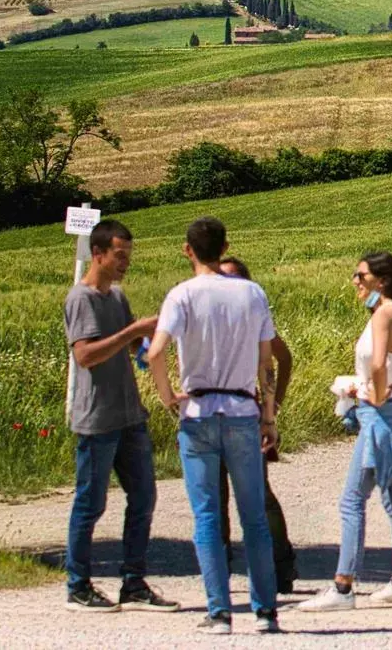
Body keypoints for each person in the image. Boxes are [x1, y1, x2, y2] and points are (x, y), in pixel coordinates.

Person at [146, 217, 282, 635]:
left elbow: (155, 353)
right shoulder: (251, 293)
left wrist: (168, 395)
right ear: (225, 248)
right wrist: (269, 415)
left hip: (198, 411)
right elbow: (266, 363)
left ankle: (219, 611)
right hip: (242, 410)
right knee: (254, 516)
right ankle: (265, 612)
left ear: (188, 250)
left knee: (206, 515)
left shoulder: (181, 295)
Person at [297, 251, 392, 613]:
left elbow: (378, 362)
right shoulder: (388, 310)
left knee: (352, 500)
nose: (355, 281)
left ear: (380, 280)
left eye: (361, 275)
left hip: (381, 415)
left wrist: (370, 392)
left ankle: (343, 587)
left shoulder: (385, 313)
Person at [62, 219, 178, 614]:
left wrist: (152, 346)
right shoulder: (82, 299)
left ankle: (134, 583)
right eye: (120, 255)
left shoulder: (117, 297)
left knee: (144, 496)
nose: (126, 262)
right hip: (98, 419)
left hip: (130, 414)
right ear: (98, 254)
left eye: (129, 255)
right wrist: (132, 332)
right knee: (90, 504)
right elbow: (86, 356)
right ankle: (77, 585)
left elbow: (132, 350)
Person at [214, 254, 298, 594]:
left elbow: (282, 357)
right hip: (210, 412)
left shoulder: (253, 316)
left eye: (233, 278)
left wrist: (273, 404)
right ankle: (219, 570)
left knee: (259, 494)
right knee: (215, 497)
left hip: (246, 411)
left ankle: (281, 566)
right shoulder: (210, 314)